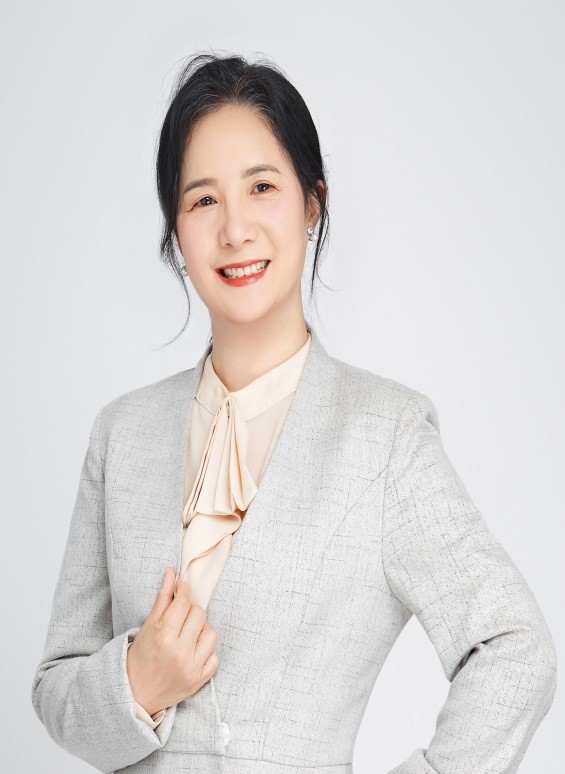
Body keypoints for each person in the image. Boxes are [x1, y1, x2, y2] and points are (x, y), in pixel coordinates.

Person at [31, 52, 557, 774]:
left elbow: (514, 648)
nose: (235, 229)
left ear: (313, 205)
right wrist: (135, 685)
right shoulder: (121, 435)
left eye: (262, 187)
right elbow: (56, 685)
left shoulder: (385, 438)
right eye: (202, 200)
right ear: (174, 231)